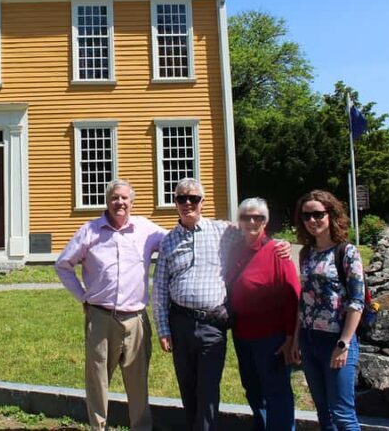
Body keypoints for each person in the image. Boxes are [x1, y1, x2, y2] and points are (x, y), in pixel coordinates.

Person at [153, 178, 291, 431]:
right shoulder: (168, 241)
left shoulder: (223, 232)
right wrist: (163, 328)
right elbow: (160, 287)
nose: (187, 203)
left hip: (212, 325)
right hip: (179, 323)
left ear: (202, 202)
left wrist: (279, 244)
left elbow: (254, 230)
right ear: (175, 203)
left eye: (193, 198)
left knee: (207, 388)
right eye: (181, 198)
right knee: (187, 386)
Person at [55, 179, 166, 431]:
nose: (120, 203)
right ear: (107, 201)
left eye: (125, 198)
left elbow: (175, 240)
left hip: (136, 318)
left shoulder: (146, 230)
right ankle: (98, 427)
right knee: (98, 380)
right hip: (101, 317)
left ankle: (141, 427)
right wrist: (82, 296)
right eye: (115, 197)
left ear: (132, 202)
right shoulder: (90, 231)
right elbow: (63, 264)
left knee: (138, 382)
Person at [289, 190, 364, 431]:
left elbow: (357, 301)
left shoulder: (346, 252)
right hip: (310, 341)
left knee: (342, 414)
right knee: (324, 413)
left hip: (337, 340)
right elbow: (304, 300)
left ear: (331, 215)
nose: (312, 220)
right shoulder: (306, 254)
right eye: (306, 216)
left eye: (318, 214)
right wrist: (297, 340)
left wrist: (344, 343)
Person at [225, 197, 300, 431]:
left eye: (258, 217)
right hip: (242, 334)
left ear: (265, 221)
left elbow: (293, 298)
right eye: (246, 217)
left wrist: (291, 338)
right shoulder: (234, 248)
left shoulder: (278, 251)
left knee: (276, 391)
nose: (251, 221)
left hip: (272, 337)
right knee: (253, 389)